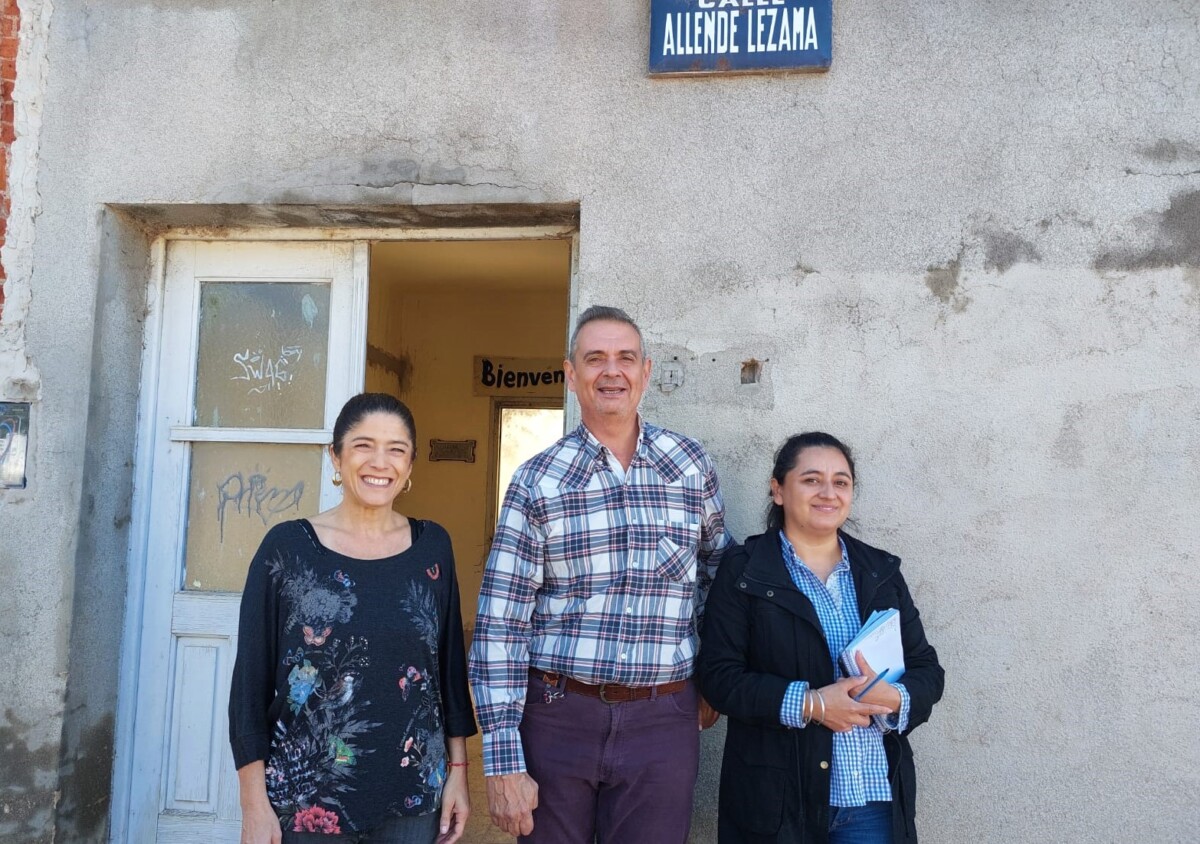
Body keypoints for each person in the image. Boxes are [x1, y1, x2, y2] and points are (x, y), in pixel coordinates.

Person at [468, 305, 730, 844]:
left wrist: (713, 677)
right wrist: (502, 758)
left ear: (646, 372)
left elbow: (717, 573)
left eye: (625, 358)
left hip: (664, 720)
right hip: (557, 717)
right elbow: (501, 621)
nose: (612, 371)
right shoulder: (538, 480)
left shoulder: (689, 465)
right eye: (595, 359)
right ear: (571, 374)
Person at [229, 393, 476, 844]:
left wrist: (458, 773)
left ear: (410, 465)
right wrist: (253, 802)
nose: (380, 462)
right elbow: (249, 685)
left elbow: (449, 672)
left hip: (413, 795)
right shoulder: (287, 550)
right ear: (336, 456)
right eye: (364, 445)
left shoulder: (432, 548)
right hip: (306, 801)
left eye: (396, 449)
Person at [698, 432, 945, 844]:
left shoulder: (880, 571)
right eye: (811, 479)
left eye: (840, 482)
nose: (828, 492)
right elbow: (719, 678)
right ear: (778, 490)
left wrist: (894, 697)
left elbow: (927, 670)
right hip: (779, 804)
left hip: (872, 801)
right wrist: (812, 704)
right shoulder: (744, 570)